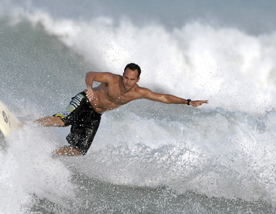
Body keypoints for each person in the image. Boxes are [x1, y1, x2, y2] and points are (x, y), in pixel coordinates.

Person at [34, 63, 208, 156]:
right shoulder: (112, 79)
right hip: (85, 100)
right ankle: (25, 126)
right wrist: (89, 87)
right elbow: (91, 74)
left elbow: (163, 98)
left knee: (79, 150)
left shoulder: (139, 92)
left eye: (131, 79)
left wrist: (188, 102)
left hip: (96, 114)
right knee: (62, 120)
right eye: (125, 77)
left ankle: (49, 154)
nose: (127, 82)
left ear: (138, 79)